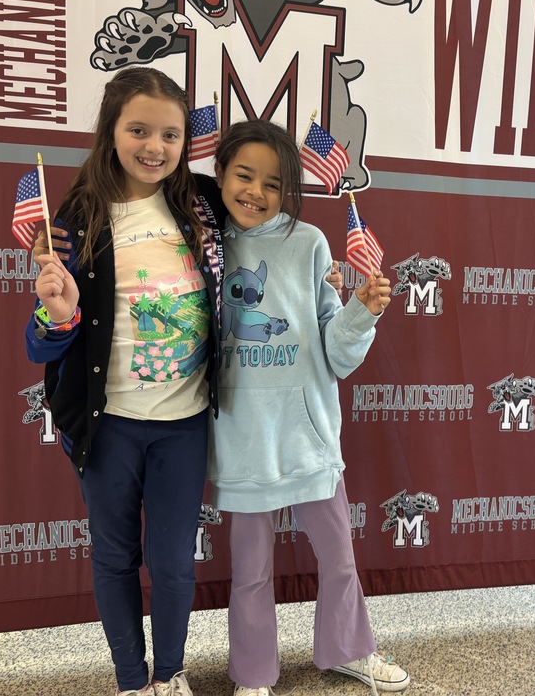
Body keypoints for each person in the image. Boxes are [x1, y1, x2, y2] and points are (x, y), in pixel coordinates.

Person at [26, 66, 225, 696]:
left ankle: (170, 675)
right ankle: (131, 681)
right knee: (114, 559)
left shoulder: (200, 206)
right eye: (139, 129)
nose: (154, 147)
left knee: (172, 566)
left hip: (183, 425)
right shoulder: (78, 215)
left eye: (169, 134)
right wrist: (57, 316)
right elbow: (39, 341)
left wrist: (320, 285)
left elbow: (259, 249)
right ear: (110, 130)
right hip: (106, 426)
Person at [209, 119, 410, 696]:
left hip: (310, 436)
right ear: (219, 174)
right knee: (249, 574)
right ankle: (253, 675)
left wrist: (362, 310)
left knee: (340, 558)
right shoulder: (205, 244)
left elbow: (336, 351)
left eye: (273, 183)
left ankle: (349, 649)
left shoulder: (311, 242)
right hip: (240, 442)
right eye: (243, 175)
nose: (256, 191)